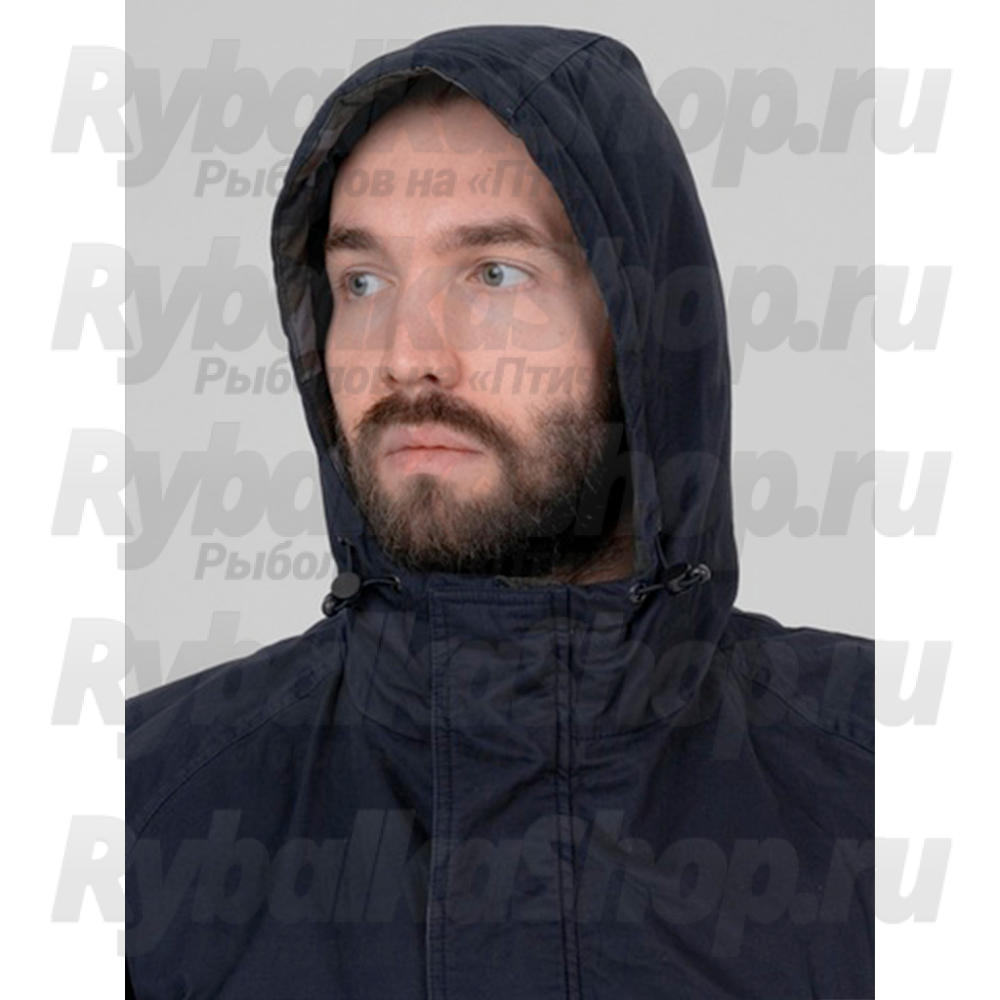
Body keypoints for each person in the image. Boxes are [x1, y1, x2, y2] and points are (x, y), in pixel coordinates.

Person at [126, 25, 874, 999]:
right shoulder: (137, 807)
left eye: (492, 272)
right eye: (362, 281)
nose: (406, 355)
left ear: (640, 327)